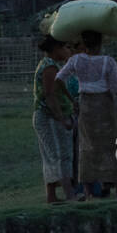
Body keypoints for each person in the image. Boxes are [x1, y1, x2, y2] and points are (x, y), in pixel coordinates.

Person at [57, 30, 117, 201]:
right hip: (104, 107)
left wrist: (73, 100)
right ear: (101, 43)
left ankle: (86, 190)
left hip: (85, 106)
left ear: (84, 44)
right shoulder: (109, 62)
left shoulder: (76, 60)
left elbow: (59, 79)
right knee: (110, 146)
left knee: (87, 147)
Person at [33, 36, 75, 204]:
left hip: (48, 116)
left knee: (52, 155)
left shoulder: (52, 66)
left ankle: (52, 195)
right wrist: (61, 118)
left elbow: (61, 88)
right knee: (60, 155)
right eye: (65, 47)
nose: (68, 51)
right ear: (56, 48)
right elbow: (50, 95)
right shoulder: (49, 67)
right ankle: (69, 194)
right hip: (49, 117)